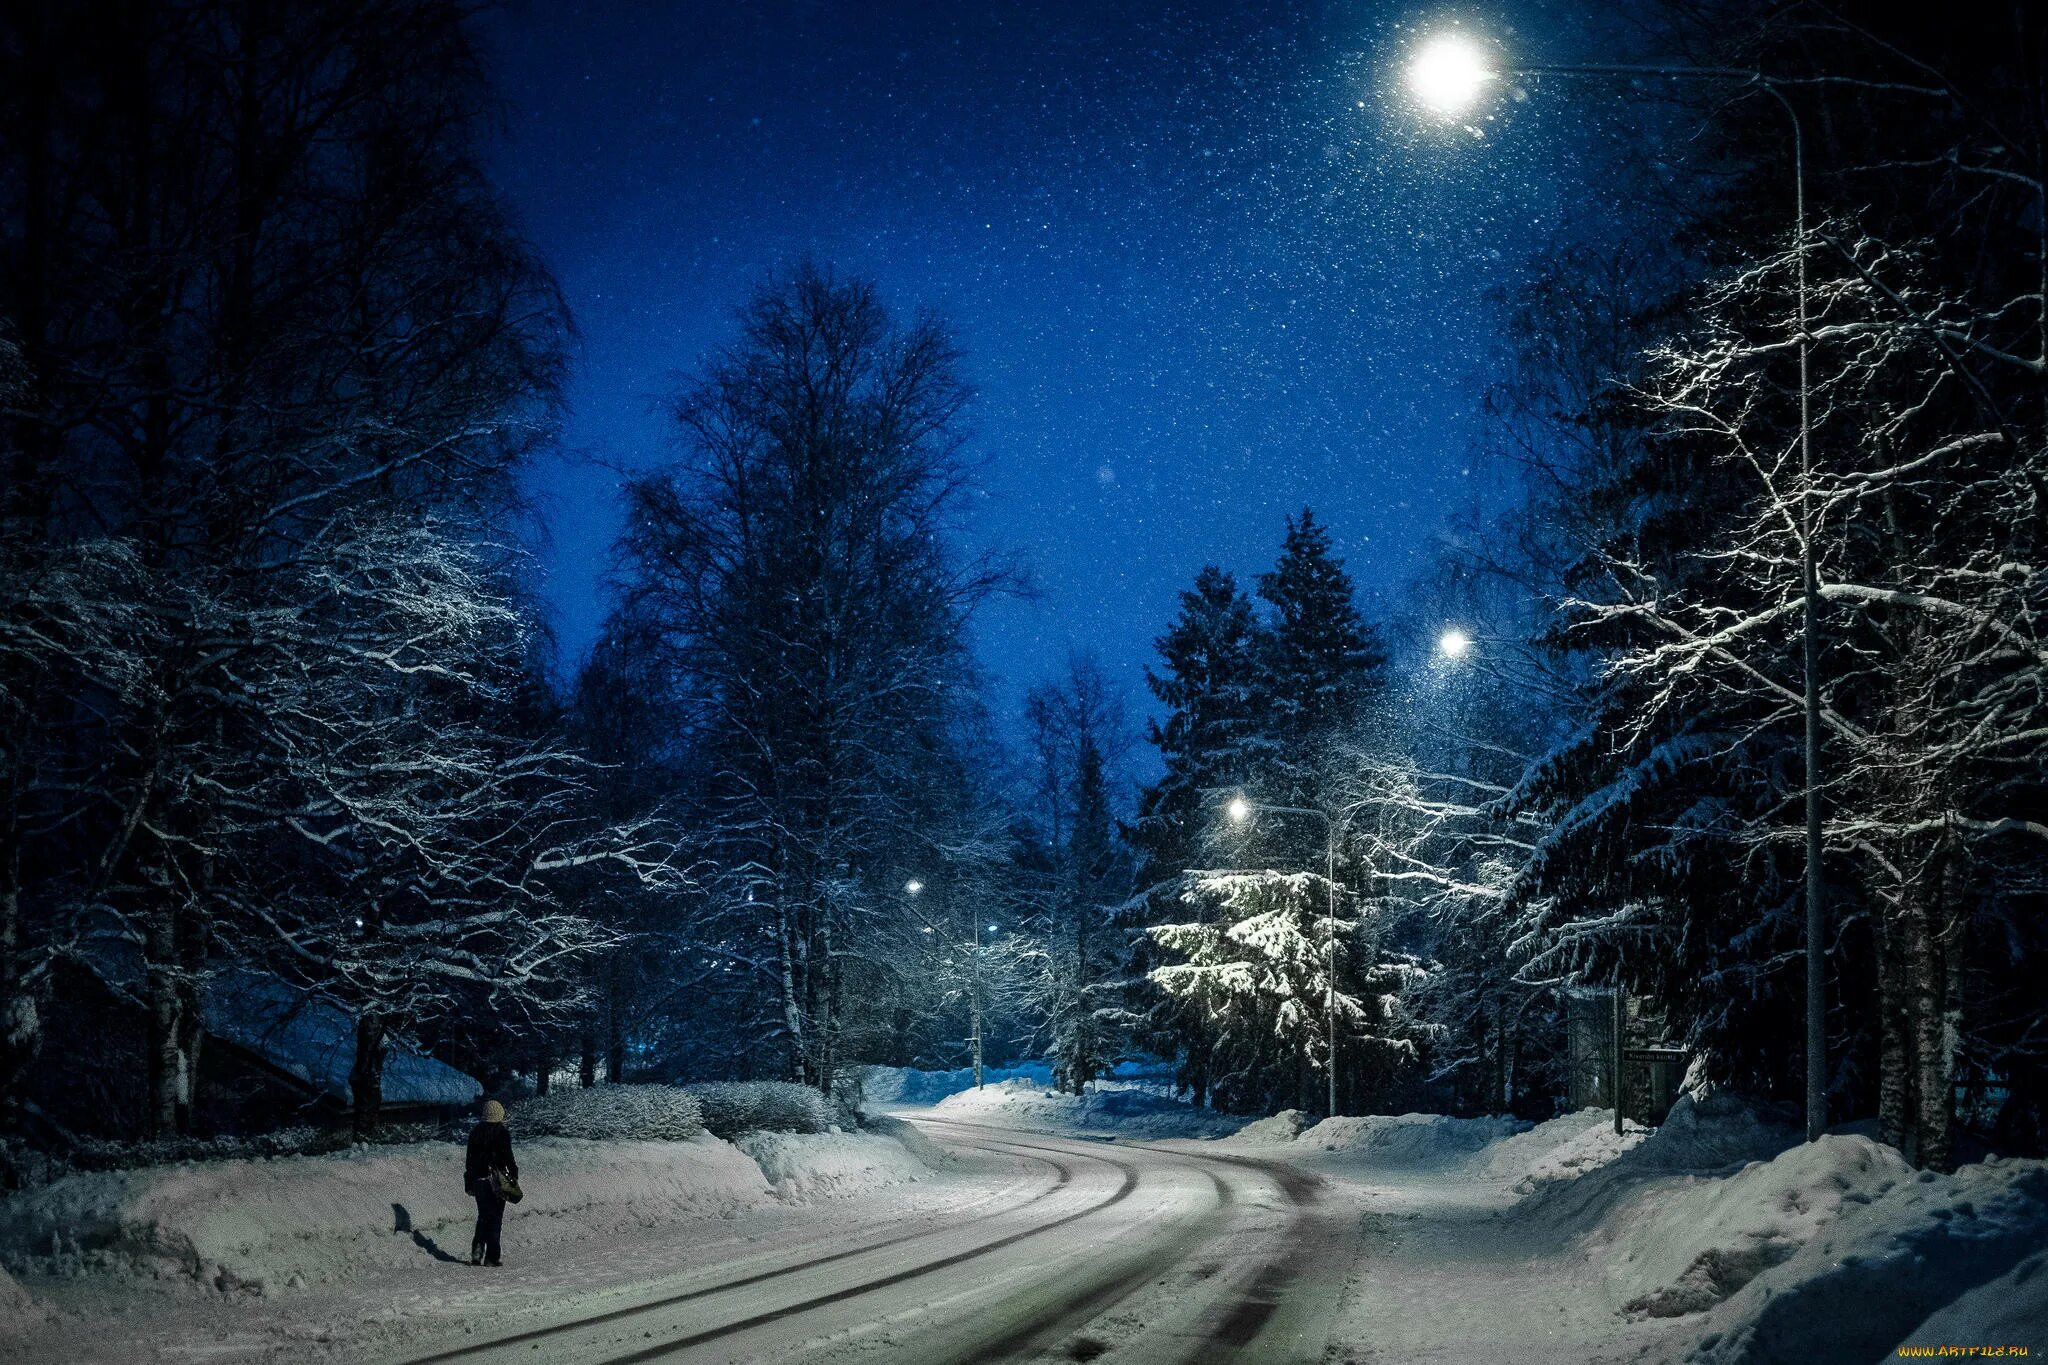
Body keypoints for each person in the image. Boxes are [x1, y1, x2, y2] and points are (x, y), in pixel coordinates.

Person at [464, 1098, 518, 1267]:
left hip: (479, 1181)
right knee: (495, 1218)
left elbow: (469, 1161)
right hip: (497, 1181)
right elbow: (508, 1159)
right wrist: (514, 1176)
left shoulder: (475, 1133)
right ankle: (492, 1257)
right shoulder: (502, 1133)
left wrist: (470, 1181)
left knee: (483, 1216)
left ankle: (477, 1252)